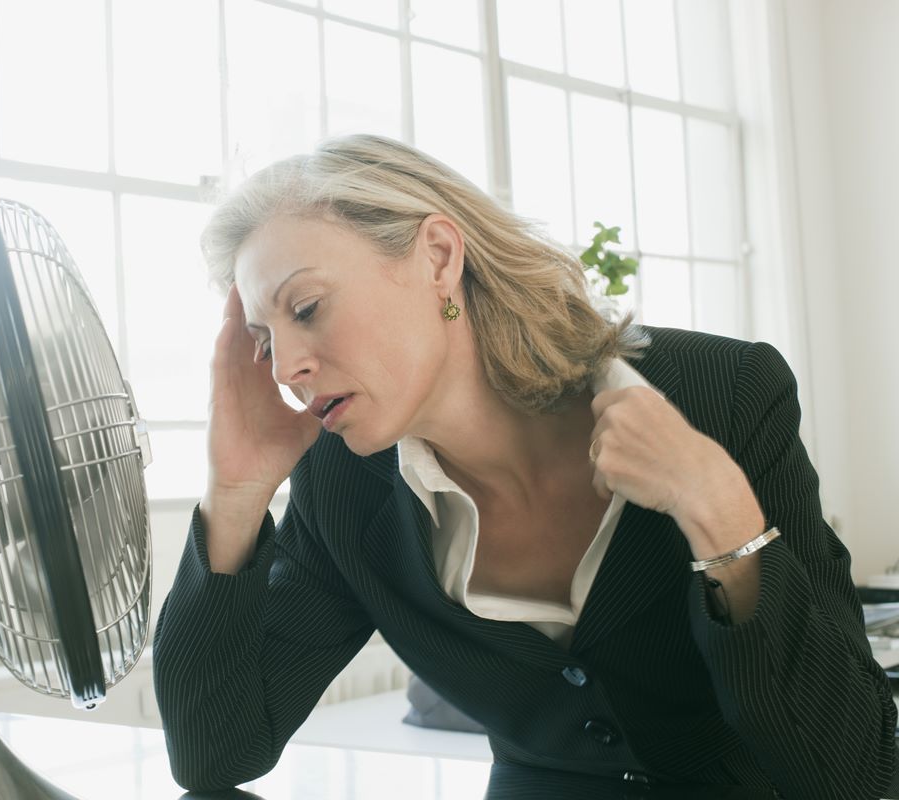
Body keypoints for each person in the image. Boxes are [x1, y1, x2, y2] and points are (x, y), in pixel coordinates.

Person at [151, 134, 898, 799]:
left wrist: (716, 507)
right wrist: (237, 491)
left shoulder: (726, 393)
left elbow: (858, 774)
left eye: (306, 308)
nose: (287, 368)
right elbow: (214, 755)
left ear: (439, 258)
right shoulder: (341, 486)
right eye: (262, 340)